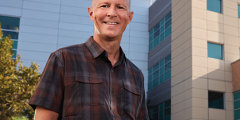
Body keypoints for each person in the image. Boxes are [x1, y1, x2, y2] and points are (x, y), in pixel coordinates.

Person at [29, 0, 149, 119]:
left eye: (120, 7)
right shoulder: (63, 59)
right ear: (91, 13)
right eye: (104, 6)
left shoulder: (137, 75)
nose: (112, 13)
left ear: (129, 17)